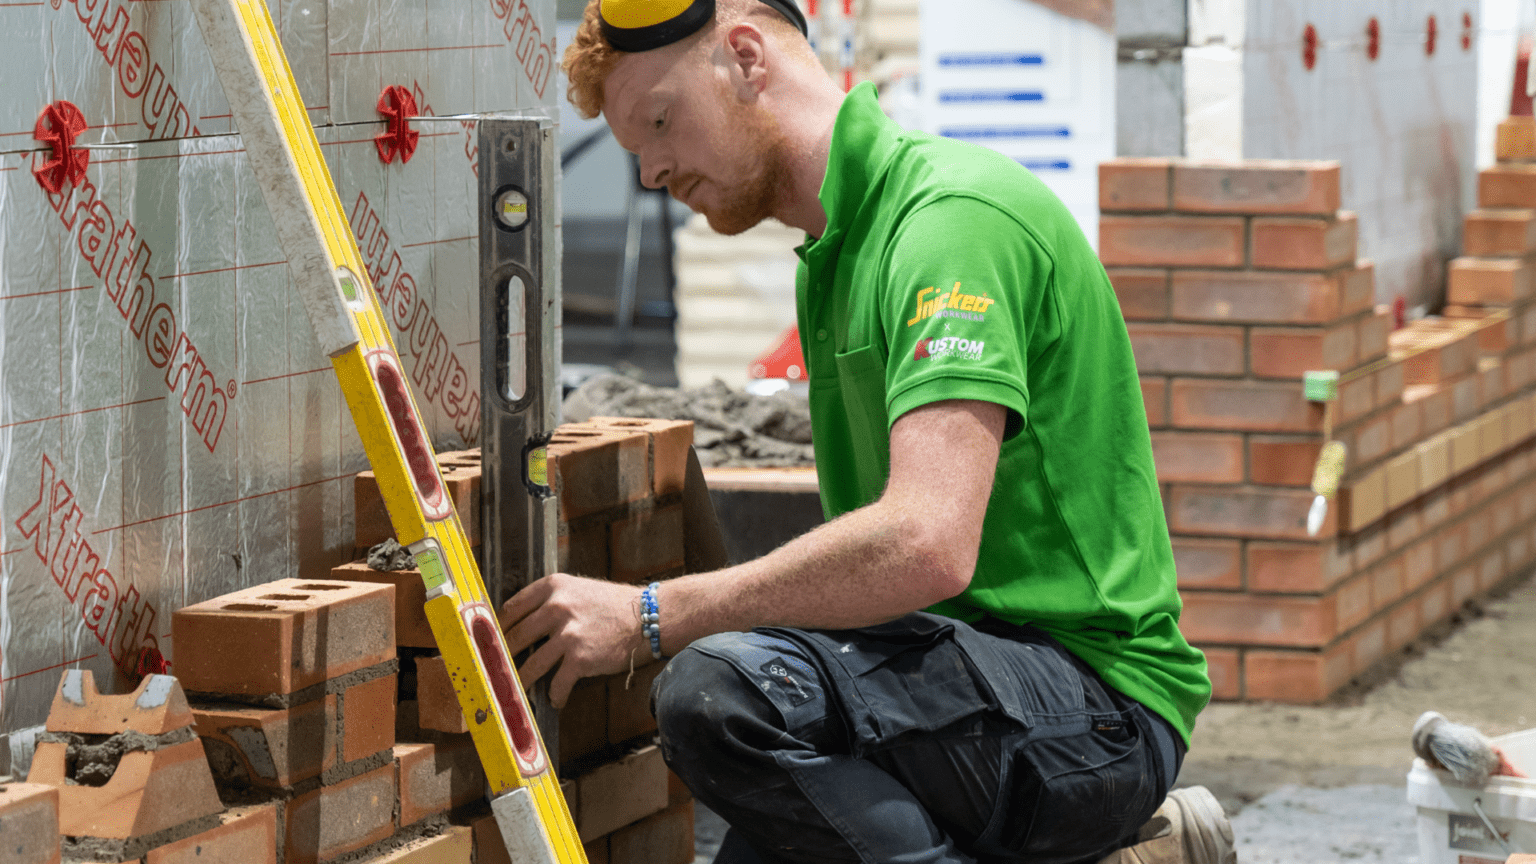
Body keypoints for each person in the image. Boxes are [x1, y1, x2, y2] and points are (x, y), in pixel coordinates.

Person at [499, 1, 1234, 861]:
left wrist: (654, 614)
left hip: (1094, 707)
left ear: (744, 57)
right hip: (959, 692)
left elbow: (926, 543)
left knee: (717, 693)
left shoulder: (946, 224)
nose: (654, 171)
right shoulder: (837, 253)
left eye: (660, 123)